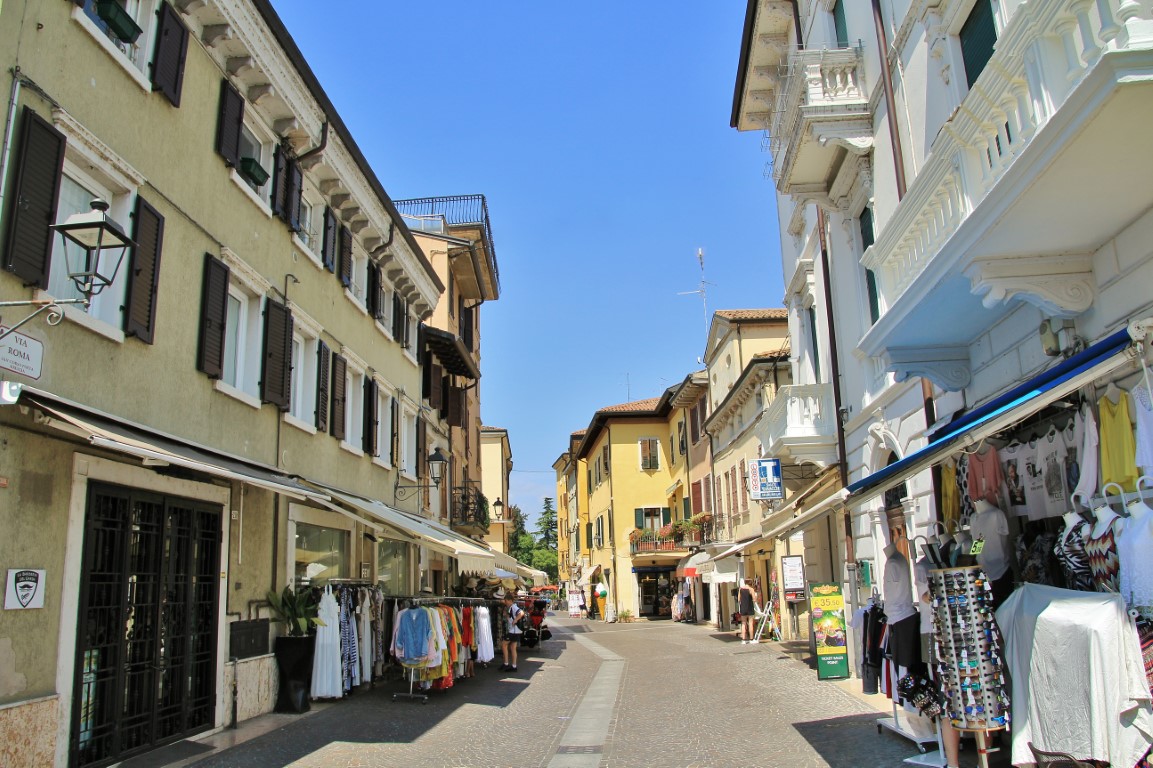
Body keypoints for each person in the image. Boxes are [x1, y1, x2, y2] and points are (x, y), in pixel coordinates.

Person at [500, 593, 525, 672]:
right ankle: (514, 666)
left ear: (510, 600)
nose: (505, 602)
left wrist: (516, 620)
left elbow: (521, 613)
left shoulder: (513, 607)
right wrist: (507, 616)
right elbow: (510, 617)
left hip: (513, 630)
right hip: (515, 631)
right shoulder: (510, 607)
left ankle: (506, 663)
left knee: (504, 645)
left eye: (506, 601)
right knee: (513, 648)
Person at [738, 578, 761, 644]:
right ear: (750, 583)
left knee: (743, 623)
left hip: (743, 608)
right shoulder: (751, 589)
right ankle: (751, 639)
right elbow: (754, 599)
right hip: (750, 607)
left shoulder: (741, 589)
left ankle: (743, 640)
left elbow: (739, 599)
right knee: (750, 623)